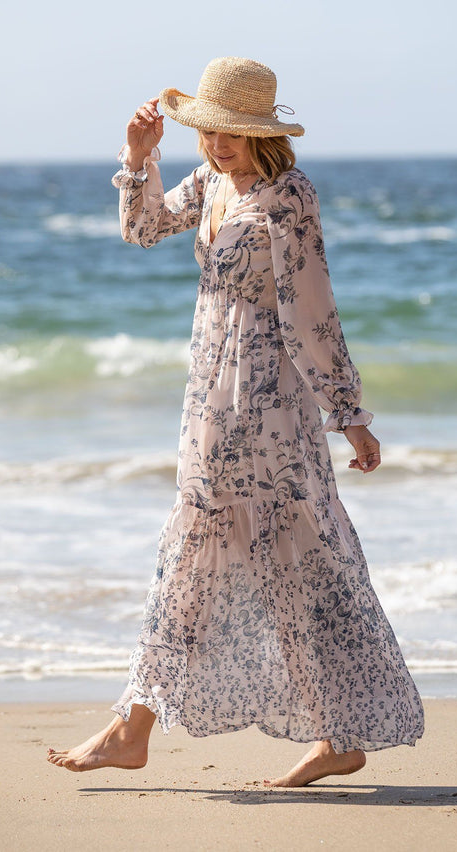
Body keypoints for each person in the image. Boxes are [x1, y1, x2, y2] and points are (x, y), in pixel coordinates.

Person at [47, 56, 424, 787]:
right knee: (217, 558)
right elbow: (145, 228)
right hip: (209, 403)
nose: (219, 144)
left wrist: (348, 414)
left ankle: (149, 727)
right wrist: (137, 158)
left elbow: (313, 310)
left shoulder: (290, 199)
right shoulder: (215, 183)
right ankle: (309, 734)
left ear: (263, 134)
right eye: (211, 130)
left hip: (269, 410)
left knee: (292, 566)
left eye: (234, 133)